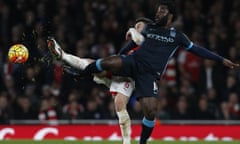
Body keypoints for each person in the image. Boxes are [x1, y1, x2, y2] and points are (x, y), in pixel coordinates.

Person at [55, 0, 239, 143]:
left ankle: (142, 142)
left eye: (162, 11)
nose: (158, 13)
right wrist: (121, 56)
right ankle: (80, 74)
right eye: (157, 10)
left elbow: (197, 49)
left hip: (149, 74)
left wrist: (221, 59)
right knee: (109, 61)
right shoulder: (150, 28)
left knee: (150, 111)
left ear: (171, 15)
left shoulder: (178, 36)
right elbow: (133, 44)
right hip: (134, 61)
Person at [47, 17, 153, 144]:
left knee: (119, 103)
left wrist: (132, 30)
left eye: (139, 26)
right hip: (121, 72)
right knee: (93, 64)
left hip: (133, 76)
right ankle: (63, 56)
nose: (136, 28)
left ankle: (126, 142)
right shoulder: (132, 44)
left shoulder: (151, 41)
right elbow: (121, 54)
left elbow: (139, 39)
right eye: (135, 26)